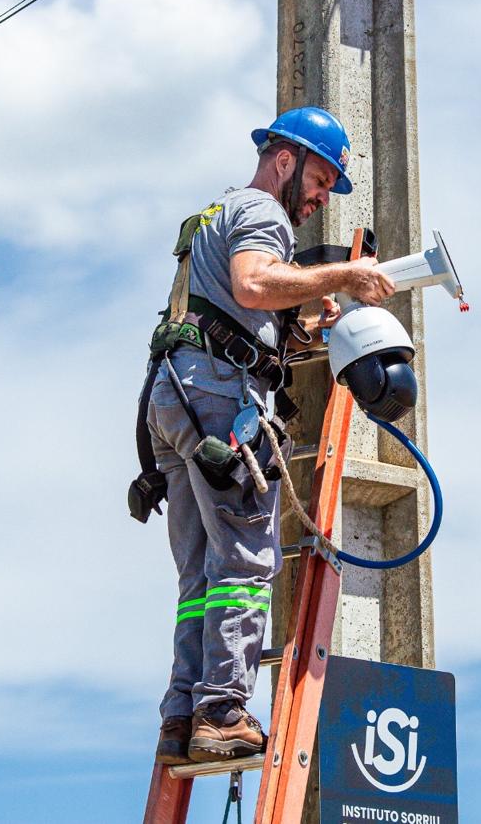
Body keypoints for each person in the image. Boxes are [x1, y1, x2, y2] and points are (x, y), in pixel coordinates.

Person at [147, 106, 396, 764]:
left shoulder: (215, 216)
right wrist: (345, 274)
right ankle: (224, 709)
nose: (320, 197)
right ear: (284, 160)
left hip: (174, 400)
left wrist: (309, 325)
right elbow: (254, 284)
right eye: (318, 179)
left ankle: (182, 712)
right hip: (217, 402)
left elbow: (243, 310)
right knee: (244, 564)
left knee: (200, 574)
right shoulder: (264, 214)